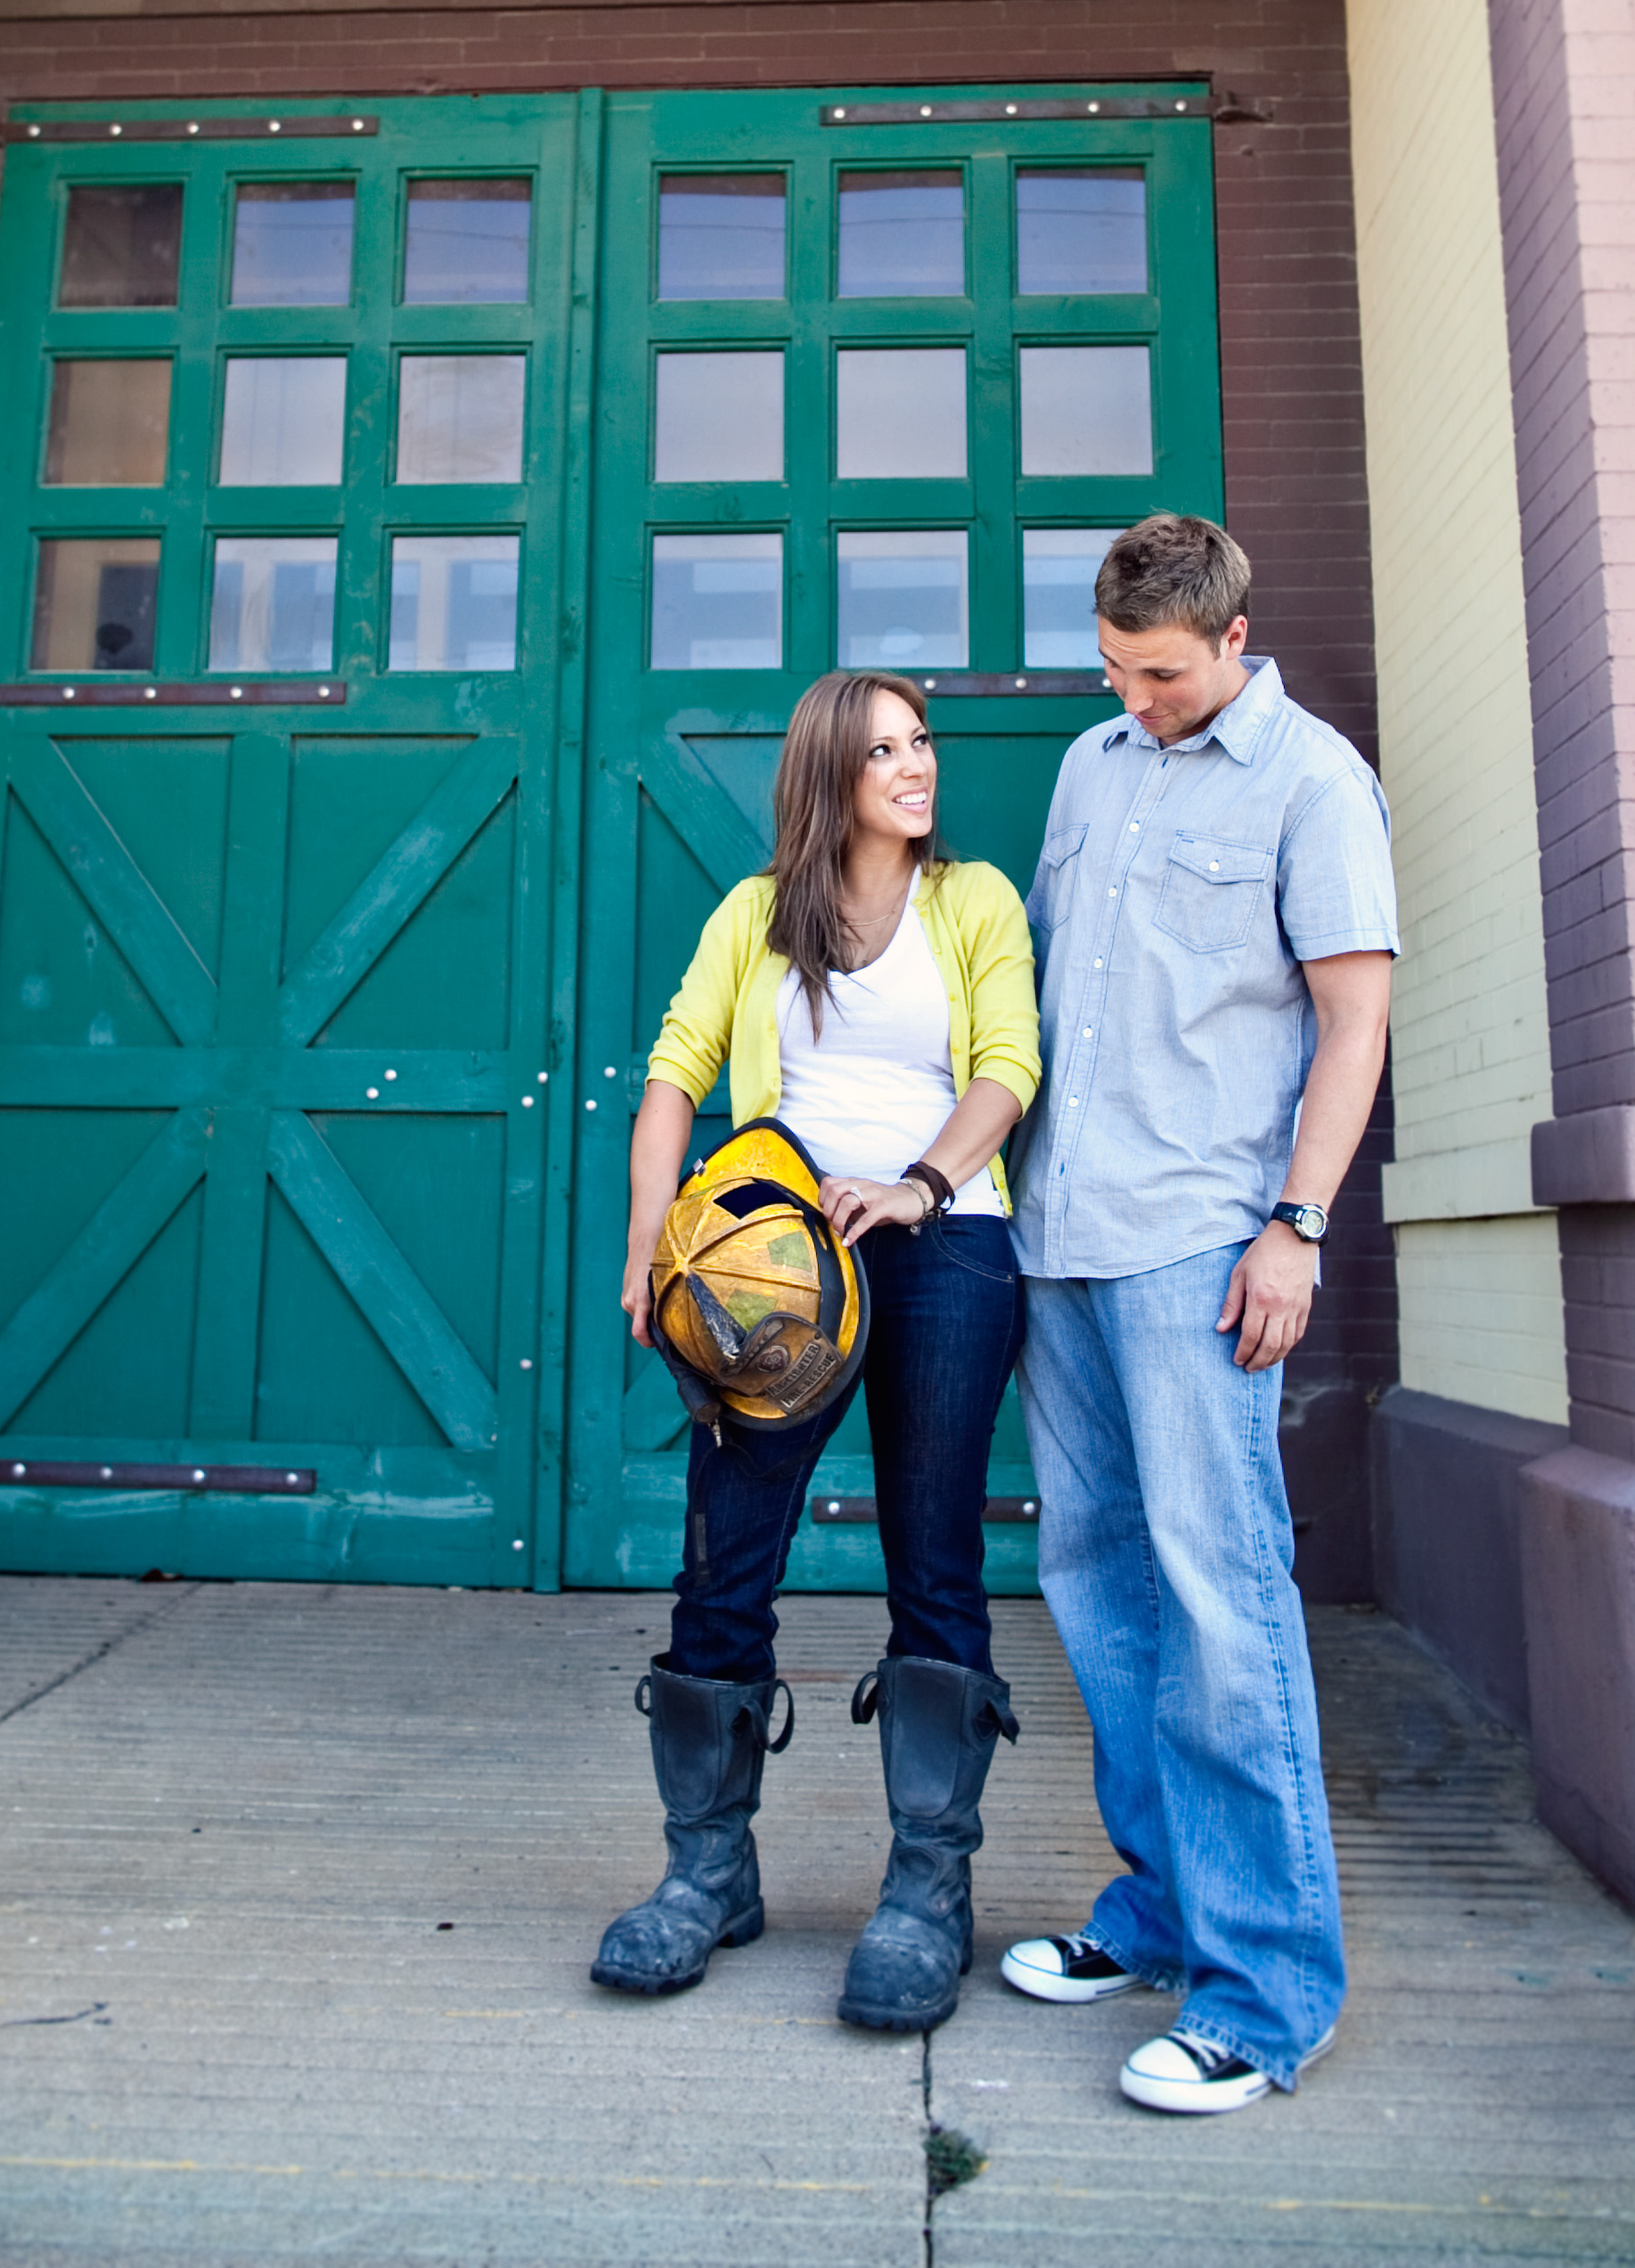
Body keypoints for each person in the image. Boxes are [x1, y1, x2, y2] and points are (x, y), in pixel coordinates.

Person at [998, 513, 1398, 2115]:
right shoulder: (1095, 765)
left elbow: (1353, 1014)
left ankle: (1266, 1990)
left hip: (1202, 1242)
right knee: (1096, 1583)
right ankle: (1163, 1913)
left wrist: (1296, 1225)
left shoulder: (1315, 780)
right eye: (1114, 669)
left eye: (1161, 673)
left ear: (1235, 637)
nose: (1137, 697)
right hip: (1062, 1236)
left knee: (1223, 1603)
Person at [593, 670, 1041, 2030]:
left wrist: (918, 1183)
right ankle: (707, 1871)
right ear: (832, 771)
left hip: (941, 1252)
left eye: (926, 742)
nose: (918, 766)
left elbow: (1008, 1066)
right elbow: (674, 1073)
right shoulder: (754, 917)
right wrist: (649, 1241)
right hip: (770, 1270)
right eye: (888, 748)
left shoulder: (975, 901)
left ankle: (926, 1891)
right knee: (723, 1560)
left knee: (935, 1560)